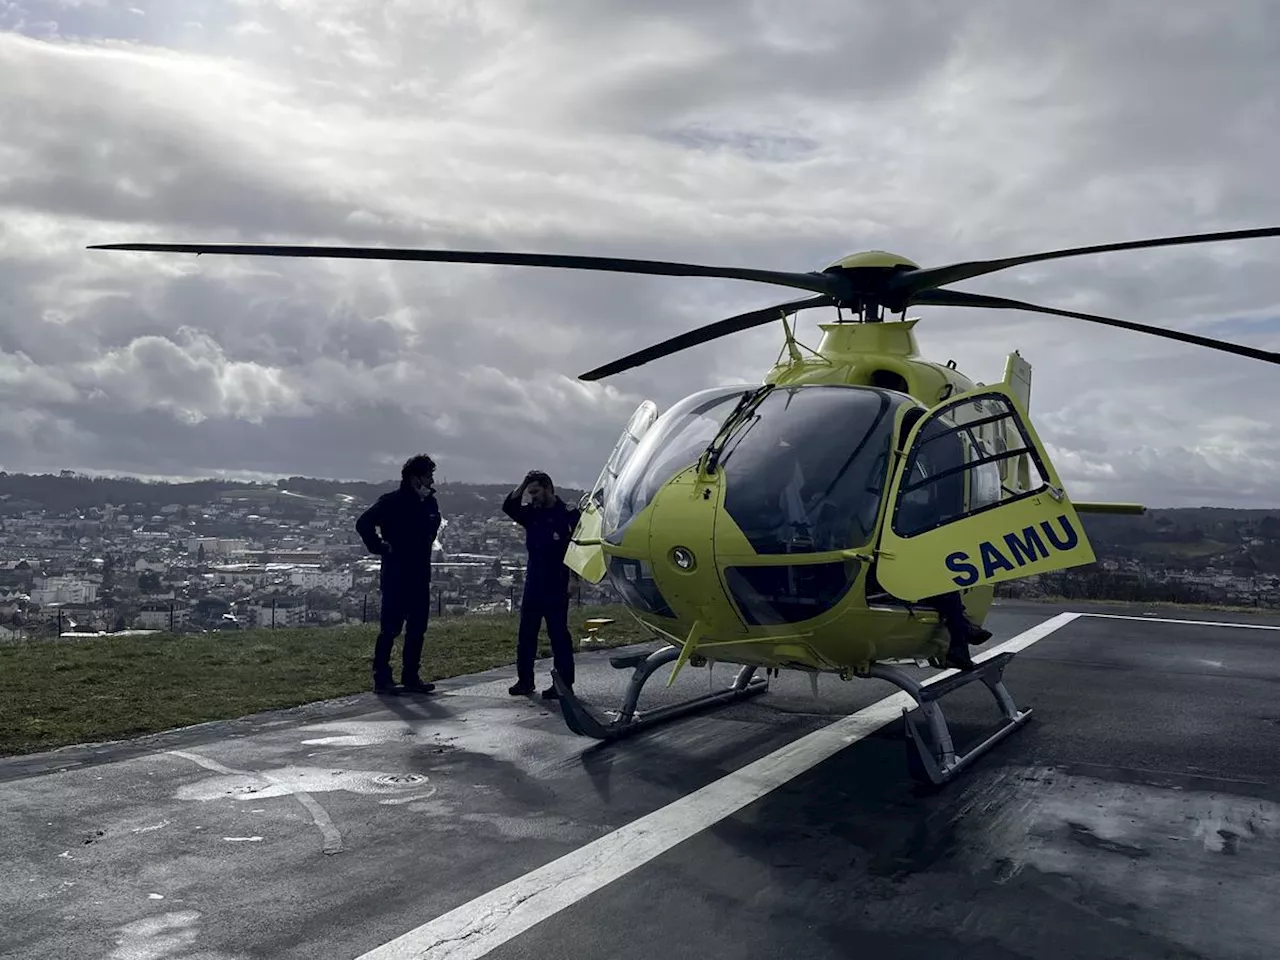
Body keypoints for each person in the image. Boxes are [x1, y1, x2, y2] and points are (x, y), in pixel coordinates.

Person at [355, 454, 442, 694]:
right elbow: (363, 523)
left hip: (420, 573)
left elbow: (433, 528)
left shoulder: (430, 503)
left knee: (417, 628)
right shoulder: (391, 501)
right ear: (416, 478)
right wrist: (380, 546)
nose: (432, 481)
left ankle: (410, 676)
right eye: (428, 476)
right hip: (396, 574)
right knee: (390, 628)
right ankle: (382, 677)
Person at [502, 470, 580, 699]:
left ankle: (564, 683)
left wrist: (575, 578)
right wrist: (525, 482)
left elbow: (579, 546)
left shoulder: (567, 514)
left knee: (558, 636)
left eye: (535, 491)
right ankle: (525, 680)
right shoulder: (531, 514)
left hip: (557, 582)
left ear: (548, 488)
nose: (532, 497)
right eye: (530, 492)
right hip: (534, 582)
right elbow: (509, 506)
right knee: (526, 635)